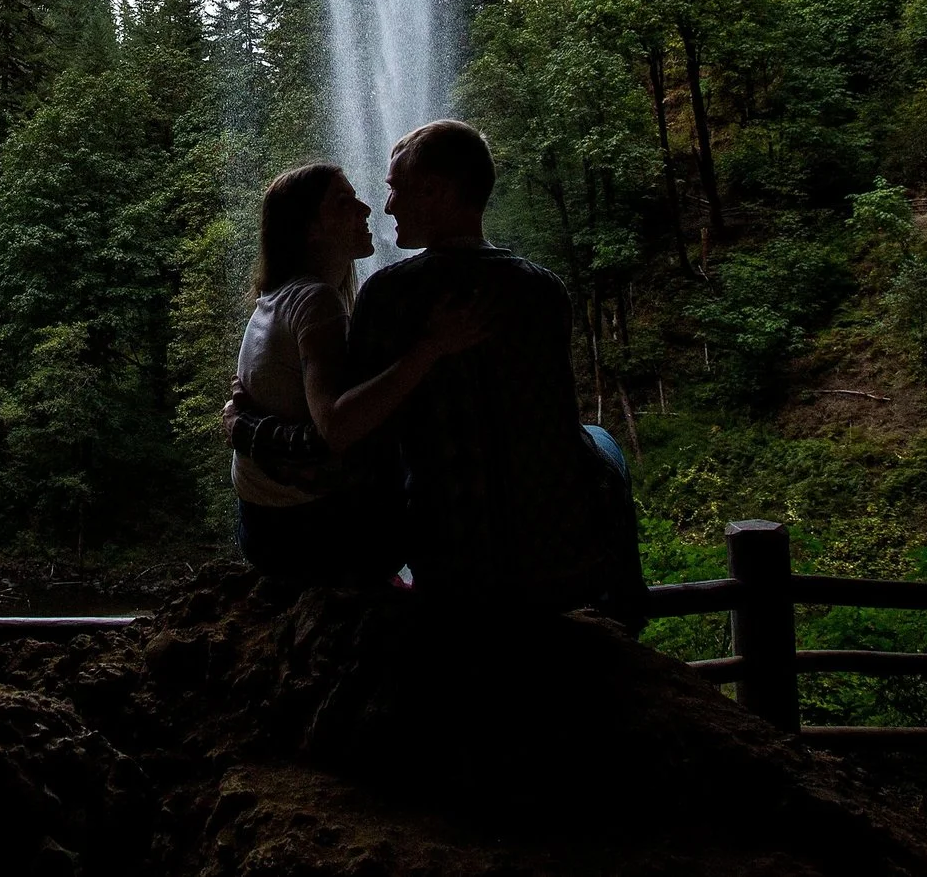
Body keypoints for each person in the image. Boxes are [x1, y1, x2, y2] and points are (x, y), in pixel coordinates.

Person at [233, 122, 646, 626]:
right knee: (600, 442)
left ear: (437, 191)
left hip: (448, 569)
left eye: (394, 189)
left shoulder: (386, 296)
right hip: (555, 561)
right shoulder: (545, 290)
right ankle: (625, 603)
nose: (384, 208)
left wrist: (247, 427)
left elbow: (353, 442)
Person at [224, 161, 481, 581]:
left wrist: (242, 427)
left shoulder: (276, 297)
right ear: (309, 230)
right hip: (314, 537)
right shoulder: (316, 301)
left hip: (261, 531)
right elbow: (337, 427)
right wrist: (431, 347)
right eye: (343, 203)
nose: (365, 208)